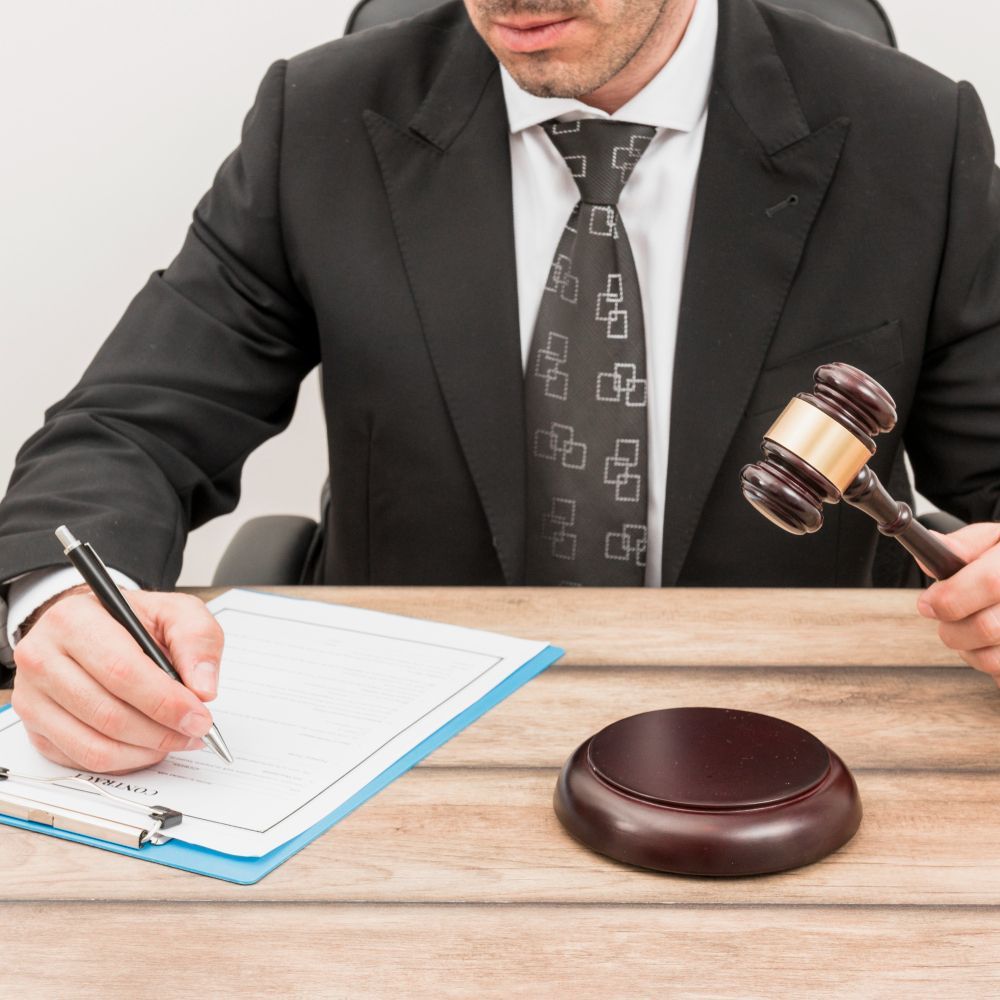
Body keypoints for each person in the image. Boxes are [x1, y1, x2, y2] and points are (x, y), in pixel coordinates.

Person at [1, 0, 998, 774]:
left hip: (794, 725)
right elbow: (130, 426)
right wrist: (56, 605)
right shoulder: (318, 118)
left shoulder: (914, 134)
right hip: (402, 731)